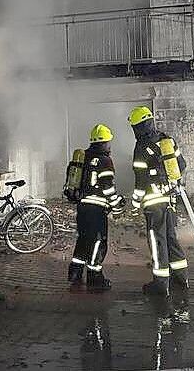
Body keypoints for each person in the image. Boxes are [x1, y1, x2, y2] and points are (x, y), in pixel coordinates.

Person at [128, 106, 189, 296]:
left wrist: (136, 202)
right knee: (171, 237)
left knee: (157, 240)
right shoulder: (166, 140)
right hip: (170, 199)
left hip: (153, 203)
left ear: (137, 127)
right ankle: (181, 278)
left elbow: (141, 180)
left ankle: (161, 284)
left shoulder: (141, 148)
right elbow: (182, 165)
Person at [68, 124, 125, 291]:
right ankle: (95, 278)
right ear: (104, 143)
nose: (110, 146)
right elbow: (108, 188)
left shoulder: (83, 156)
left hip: (82, 207)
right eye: (108, 142)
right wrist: (117, 205)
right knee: (98, 242)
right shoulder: (105, 161)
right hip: (97, 210)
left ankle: (75, 273)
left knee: (83, 239)